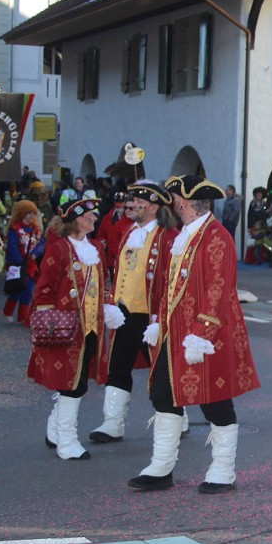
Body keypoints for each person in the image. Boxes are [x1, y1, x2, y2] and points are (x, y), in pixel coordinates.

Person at [129, 175, 260, 494]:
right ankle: (161, 467)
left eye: (171, 198)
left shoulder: (216, 236)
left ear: (181, 202)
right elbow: (170, 285)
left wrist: (202, 333)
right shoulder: (184, 235)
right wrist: (159, 321)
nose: (168, 204)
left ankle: (223, 470)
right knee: (162, 395)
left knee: (214, 401)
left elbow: (218, 288)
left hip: (206, 334)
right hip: (174, 332)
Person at [90, 181, 180, 444]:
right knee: (117, 365)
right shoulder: (130, 230)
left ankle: (179, 416)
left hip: (150, 315)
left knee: (163, 369)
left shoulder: (168, 236)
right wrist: (111, 302)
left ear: (152, 207)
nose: (131, 205)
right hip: (124, 311)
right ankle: (112, 423)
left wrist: (161, 317)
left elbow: (170, 279)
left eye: (137, 202)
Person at [27, 199, 111, 460]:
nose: (94, 219)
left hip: (90, 329)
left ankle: (55, 431)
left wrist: (108, 307)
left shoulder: (95, 247)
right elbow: (44, 290)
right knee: (70, 385)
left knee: (79, 382)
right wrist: (48, 321)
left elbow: (101, 282)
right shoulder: (59, 249)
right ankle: (67, 441)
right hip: (65, 328)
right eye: (89, 216)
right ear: (75, 220)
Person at [3, 200, 44, 326]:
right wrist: (20, 262)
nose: (32, 216)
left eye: (33, 213)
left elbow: (42, 243)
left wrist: (37, 252)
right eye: (29, 213)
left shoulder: (36, 229)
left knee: (28, 290)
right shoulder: (15, 229)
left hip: (31, 265)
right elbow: (12, 246)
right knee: (17, 289)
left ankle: (23, 316)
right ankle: (8, 311)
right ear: (22, 213)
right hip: (18, 264)